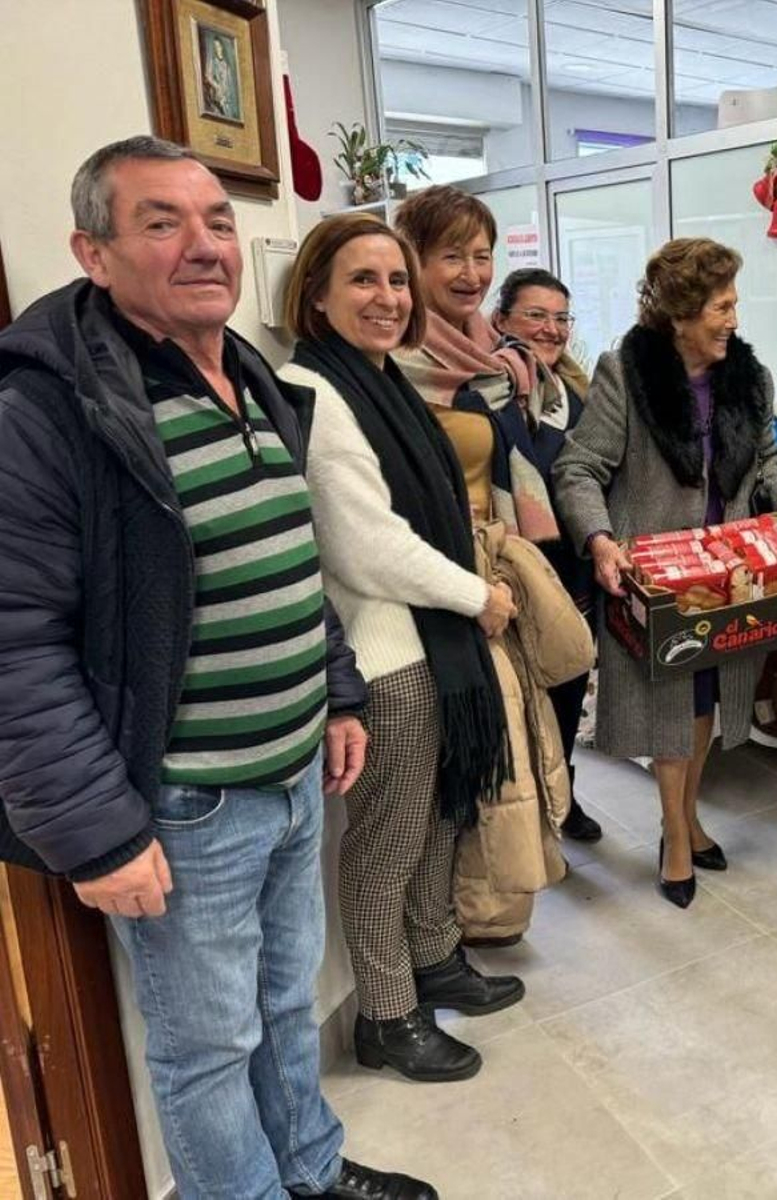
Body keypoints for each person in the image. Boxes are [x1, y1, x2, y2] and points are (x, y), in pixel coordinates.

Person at [0, 137, 432, 1198]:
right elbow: (14, 641)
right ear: (91, 253)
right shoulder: (48, 411)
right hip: (187, 806)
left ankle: (312, 1173)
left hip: (289, 779)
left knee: (285, 1009)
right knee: (205, 1049)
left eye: (218, 221)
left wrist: (334, 690)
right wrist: (100, 833)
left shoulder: (247, 376)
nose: (205, 246)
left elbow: (291, 564)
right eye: (162, 222)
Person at [279, 213, 526, 1084]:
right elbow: (362, 544)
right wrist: (477, 594)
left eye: (393, 280)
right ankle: (387, 1014)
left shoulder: (379, 381)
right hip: (385, 655)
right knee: (387, 843)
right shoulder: (312, 389)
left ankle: (436, 958)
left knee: (437, 820)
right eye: (361, 280)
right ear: (314, 294)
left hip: (430, 642)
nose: (386, 298)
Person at [554, 238, 777, 906]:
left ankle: (688, 819)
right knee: (671, 712)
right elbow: (578, 468)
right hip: (655, 582)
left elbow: (765, 458)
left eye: (733, 303)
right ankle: (674, 837)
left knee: (704, 708)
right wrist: (602, 541)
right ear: (681, 314)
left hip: (727, 578)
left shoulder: (747, 379)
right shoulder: (625, 375)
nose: (733, 318)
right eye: (721, 305)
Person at [393, 186, 592, 943]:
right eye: (452, 256)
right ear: (414, 260)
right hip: (441, 581)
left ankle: (489, 918)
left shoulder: (492, 364)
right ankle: (452, 931)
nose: (471, 272)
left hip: (501, 569)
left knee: (519, 743)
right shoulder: (400, 364)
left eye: (482, 255)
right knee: (468, 761)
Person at [491, 267, 599, 842]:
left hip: (571, 571)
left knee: (567, 688)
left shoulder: (573, 390)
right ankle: (529, 816)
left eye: (561, 318)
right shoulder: (492, 385)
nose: (551, 329)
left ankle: (566, 800)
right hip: (518, 571)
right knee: (524, 700)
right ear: (501, 319)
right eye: (536, 315)